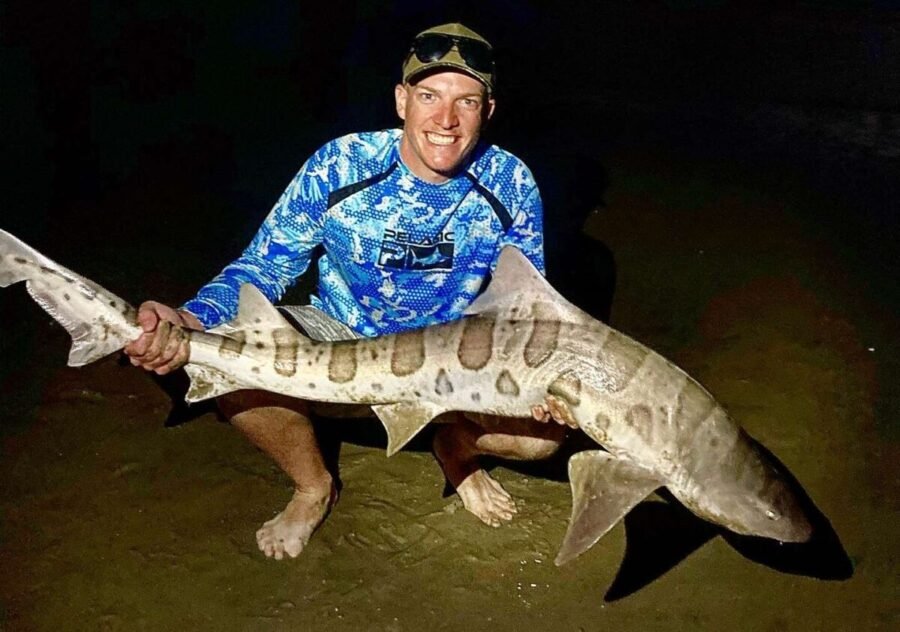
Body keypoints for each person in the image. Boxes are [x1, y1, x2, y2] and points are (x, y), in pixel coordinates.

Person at [124, 23, 565, 561]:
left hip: (452, 365)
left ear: (487, 110)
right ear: (402, 100)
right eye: (429, 96)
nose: (445, 120)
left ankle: (455, 447)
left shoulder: (509, 182)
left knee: (539, 440)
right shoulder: (341, 165)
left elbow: (524, 307)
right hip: (339, 348)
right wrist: (190, 317)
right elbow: (264, 264)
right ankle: (313, 487)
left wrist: (543, 380)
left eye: (465, 101)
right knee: (233, 355)